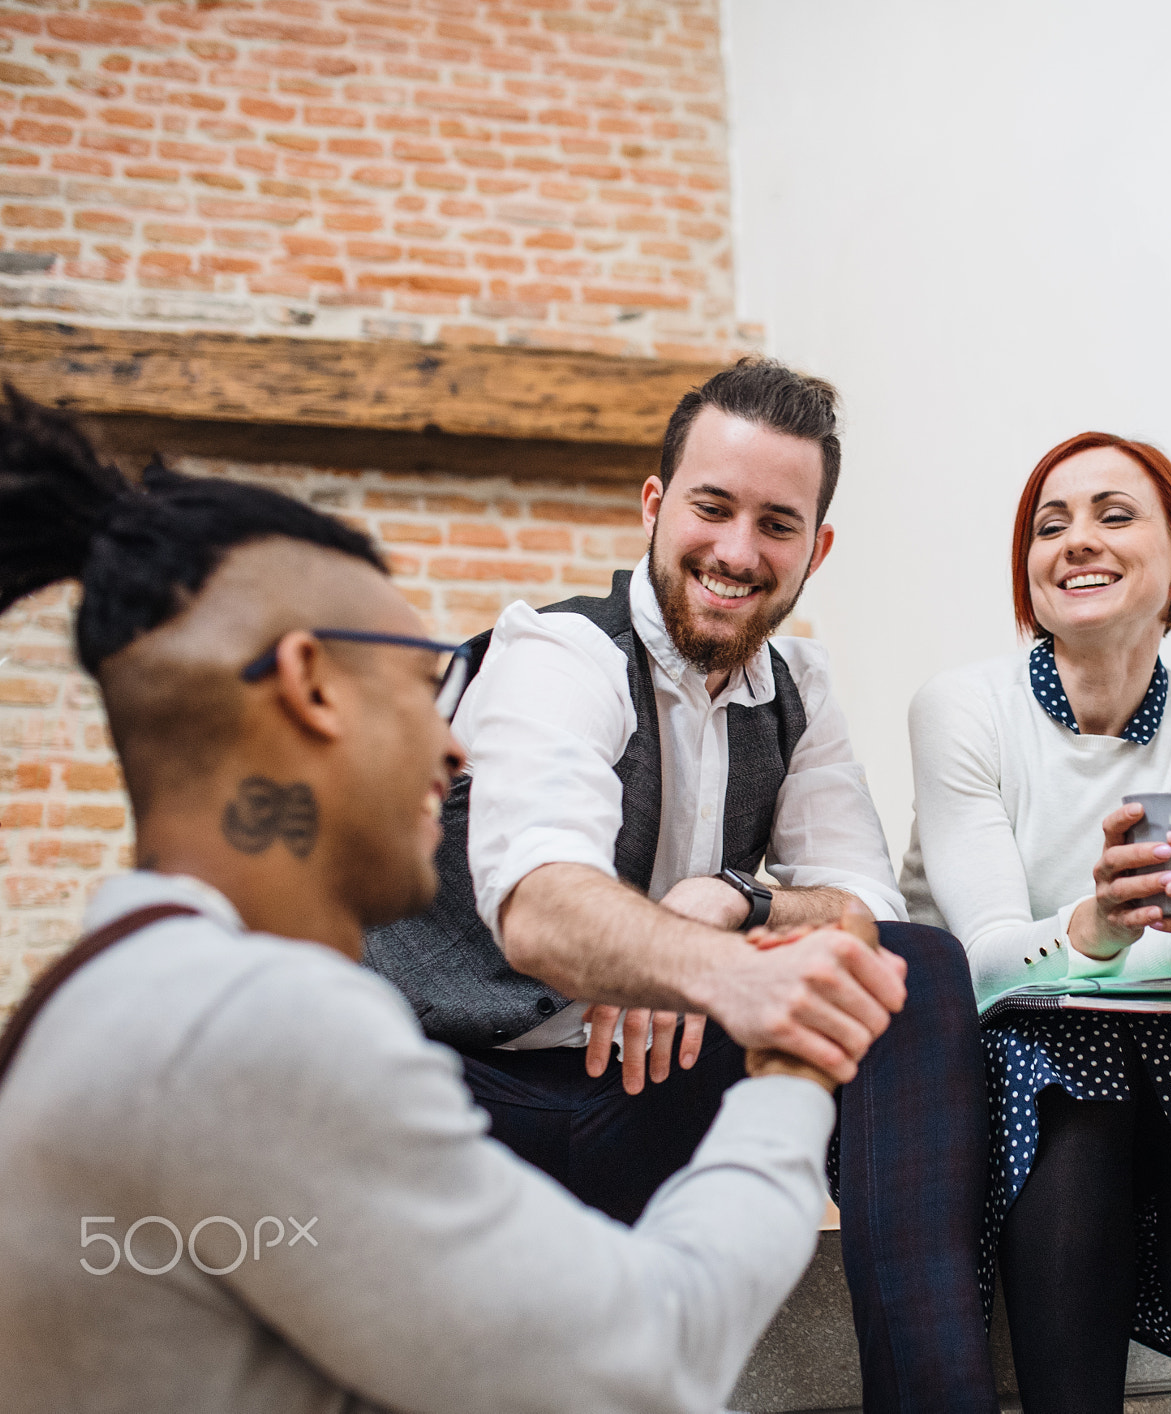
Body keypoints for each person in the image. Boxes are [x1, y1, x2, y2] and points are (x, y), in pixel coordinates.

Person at [0, 391, 904, 1411]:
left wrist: (739, 906)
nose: (457, 745)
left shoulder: (118, 991)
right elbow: (641, 1360)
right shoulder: (252, 1026)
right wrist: (789, 1068)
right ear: (311, 688)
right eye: (425, 681)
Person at [361, 358, 997, 1412]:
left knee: (918, 968)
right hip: (466, 1101)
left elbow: (863, 913)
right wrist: (709, 966)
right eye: (712, 507)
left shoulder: (799, 689)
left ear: (815, 548)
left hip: (645, 1098)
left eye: (777, 524)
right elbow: (538, 903)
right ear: (654, 506)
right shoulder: (558, 655)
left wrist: (732, 902)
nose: (738, 551)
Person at [899, 431, 1171, 1413]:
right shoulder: (962, 709)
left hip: (1146, 1045)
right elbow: (991, 960)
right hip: (974, 1034)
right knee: (1076, 1096)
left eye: (1111, 515)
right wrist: (1095, 922)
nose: (1074, 540)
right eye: (1048, 524)